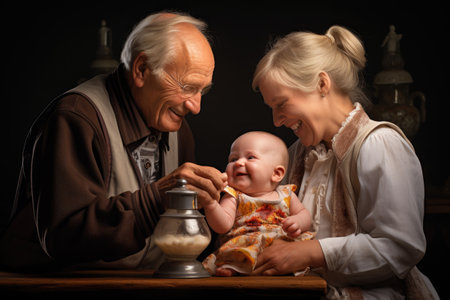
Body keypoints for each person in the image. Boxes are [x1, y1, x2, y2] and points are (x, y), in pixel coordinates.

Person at [0, 11, 227, 272]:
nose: (196, 106)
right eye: (187, 87)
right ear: (141, 69)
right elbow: (63, 238)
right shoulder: (76, 117)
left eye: (202, 90)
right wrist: (156, 198)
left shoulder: (177, 125)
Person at [251, 26, 439, 299]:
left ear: (322, 84)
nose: (276, 120)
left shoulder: (379, 145)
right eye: (272, 108)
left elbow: (400, 247)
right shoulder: (294, 155)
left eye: (281, 104)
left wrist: (313, 251)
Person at [202, 131, 313, 276]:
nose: (239, 163)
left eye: (250, 157)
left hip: (281, 247)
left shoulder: (286, 194)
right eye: (233, 159)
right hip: (245, 242)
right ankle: (233, 267)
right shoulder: (233, 195)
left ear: (276, 174)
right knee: (236, 250)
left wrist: (298, 221)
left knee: (302, 248)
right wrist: (211, 204)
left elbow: (304, 215)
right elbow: (222, 226)